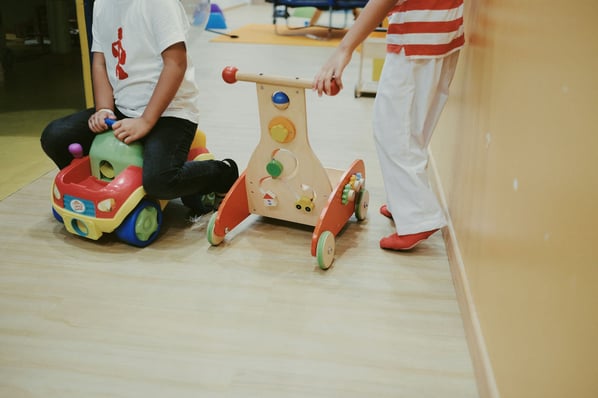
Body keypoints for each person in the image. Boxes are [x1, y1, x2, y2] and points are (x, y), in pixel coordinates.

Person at [40, 0, 238, 217]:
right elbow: (100, 61)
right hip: (122, 108)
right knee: (55, 136)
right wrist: (104, 108)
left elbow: (176, 63)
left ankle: (222, 173)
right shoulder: (101, 4)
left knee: (160, 181)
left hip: (170, 112)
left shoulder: (160, 4)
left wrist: (146, 121)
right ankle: (102, 186)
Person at [313, 0, 464, 251]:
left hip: (417, 38)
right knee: (412, 131)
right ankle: (404, 206)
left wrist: (345, 48)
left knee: (392, 132)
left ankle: (418, 218)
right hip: (442, 33)